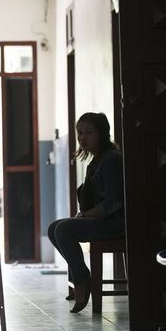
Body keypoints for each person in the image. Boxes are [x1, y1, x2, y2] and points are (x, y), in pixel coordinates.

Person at [48, 113, 125, 313]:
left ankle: (82, 281)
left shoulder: (111, 159)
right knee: (54, 228)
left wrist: (87, 215)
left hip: (115, 222)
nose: (82, 137)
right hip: (102, 220)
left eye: (88, 132)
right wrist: (86, 214)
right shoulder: (97, 161)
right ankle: (81, 275)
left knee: (64, 229)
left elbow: (114, 203)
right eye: (80, 132)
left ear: (101, 134)